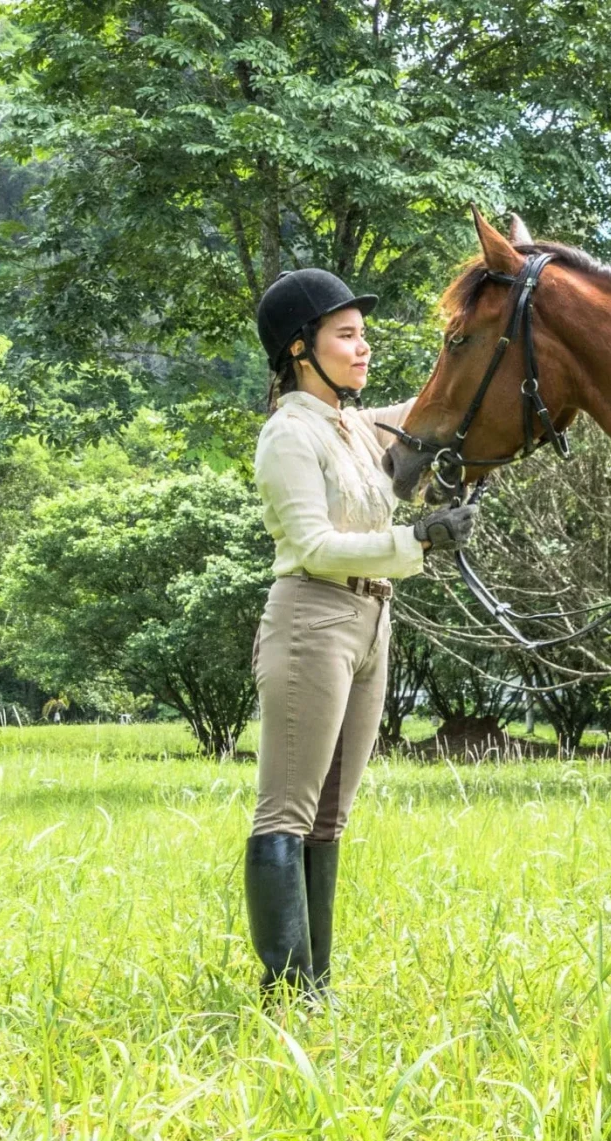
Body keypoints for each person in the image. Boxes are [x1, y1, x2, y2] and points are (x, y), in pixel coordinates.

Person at [245, 268, 477, 1000]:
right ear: (299, 348)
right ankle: (285, 991)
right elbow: (312, 545)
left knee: (330, 816)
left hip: (373, 619)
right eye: (346, 334)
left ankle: (316, 981)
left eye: (363, 333)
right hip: (313, 618)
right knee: (288, 809)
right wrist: (418, 542)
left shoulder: (353, 423)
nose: (363, 346)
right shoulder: (289, 435)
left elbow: (437, 407)